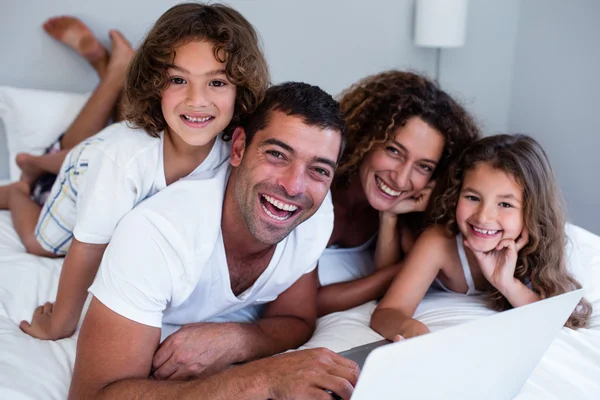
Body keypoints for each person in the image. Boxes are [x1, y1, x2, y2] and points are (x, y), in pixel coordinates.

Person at [68, 82, 355, 399]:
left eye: (318, 170)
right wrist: (261, 379)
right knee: (73, 154)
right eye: (276, 154)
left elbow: (297, 319)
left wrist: (236, 340)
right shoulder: (156, 233)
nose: (294, 187)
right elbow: (91, 395)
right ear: (238, 148)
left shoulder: (315, 217)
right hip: (83, 178)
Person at [19, 2, 270, 340]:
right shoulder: (121, 160)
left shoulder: (234, 148)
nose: (197, 100)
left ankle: (44, 156)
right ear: (157, 83)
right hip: (88, 168)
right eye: (179, 79)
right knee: (41, 242)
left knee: (105, 145)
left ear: (240, 88)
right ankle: (19, 186)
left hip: (108, 151)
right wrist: (60, 324)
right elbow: (88, 246)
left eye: (217, 83)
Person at [371, 134, 592, 341]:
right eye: (473, 197)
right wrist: (412, 329)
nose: (483, 217)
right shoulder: (439, 243)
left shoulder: (537, 246)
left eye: (505, 204)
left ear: (531, 212)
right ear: (457, 195)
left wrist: (507, 283)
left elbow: (563, 318)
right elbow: (388, 311)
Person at [317, 70, 480, 316]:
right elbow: (308, 304)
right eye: (394, 151)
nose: (402, 178)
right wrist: (414, 266)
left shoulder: (408, 216)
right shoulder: (317, 189)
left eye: (424, 166)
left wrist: (390, 217)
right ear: (366, 139)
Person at [0, 16, 134, 225]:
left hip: (57, 190)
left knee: (97, 156)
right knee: (117, 154)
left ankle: (111, 73)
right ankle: (111, 73)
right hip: (70, 195)